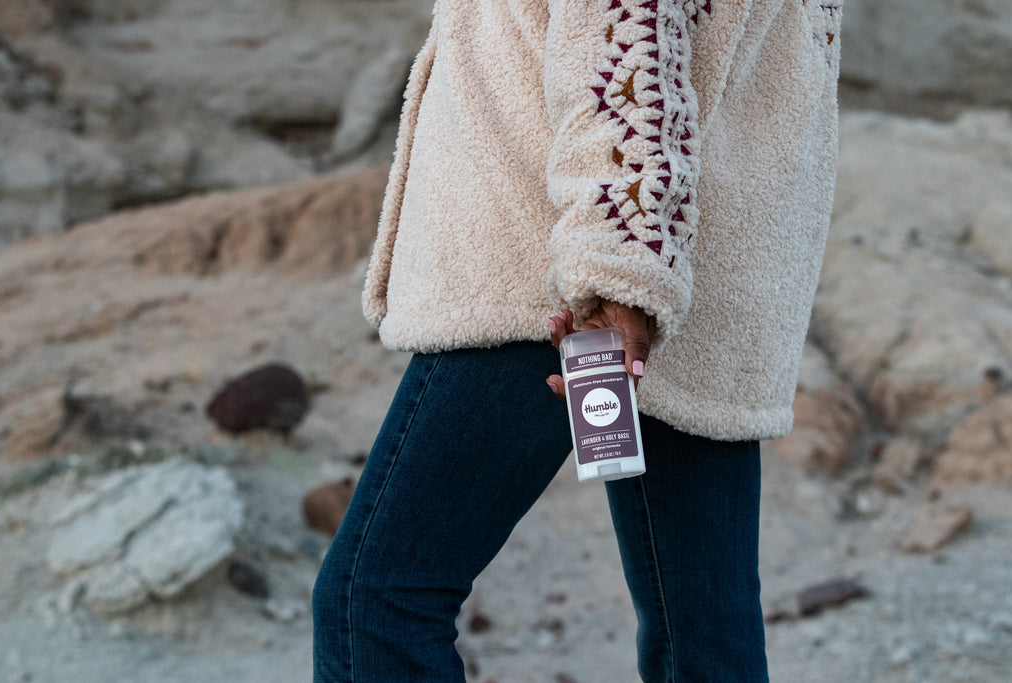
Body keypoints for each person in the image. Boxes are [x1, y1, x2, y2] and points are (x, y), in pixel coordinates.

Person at [313, 0, 842, 680]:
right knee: (701, 633)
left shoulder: (604, 282)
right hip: (702, 282)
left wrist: (620, 280)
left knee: (376, 599)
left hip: (561, 283)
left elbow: (627, 34)